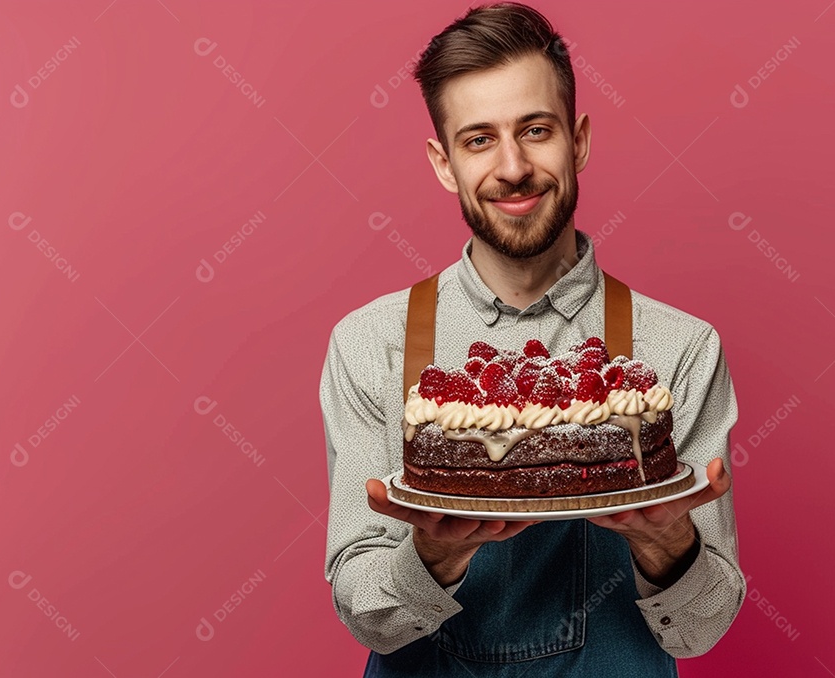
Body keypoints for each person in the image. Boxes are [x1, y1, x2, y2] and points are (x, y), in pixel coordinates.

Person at [320, 3, 746, 675]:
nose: (513, 167)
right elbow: (364, 613)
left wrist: (668, 542)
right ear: (443, 162)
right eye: (479, 139)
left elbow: (701, 631)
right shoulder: (370, 344)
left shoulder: (679, 348)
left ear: (577, 141)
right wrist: (435, 554)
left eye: (536, 130)